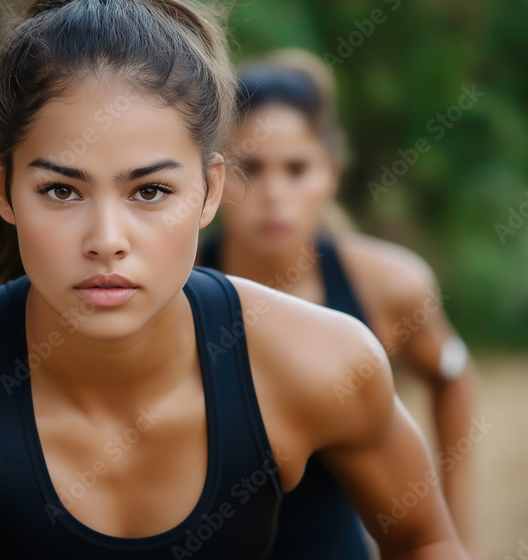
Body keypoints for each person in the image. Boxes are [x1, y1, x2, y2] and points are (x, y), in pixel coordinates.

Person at [0, 1, 470, 558]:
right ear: (3, 188)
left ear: (209, 193)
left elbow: (424, 539)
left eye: (149, 191)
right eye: (62, 191)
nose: (106, 241)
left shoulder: (322, 360)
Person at [196, 48, 479, 558]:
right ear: (212, 179)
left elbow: (451, 371)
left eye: (297, 168)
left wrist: (456, 531)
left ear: (329, 173)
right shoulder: (164, 290)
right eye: (251, 168)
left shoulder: (391, 286)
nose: (274, 192)